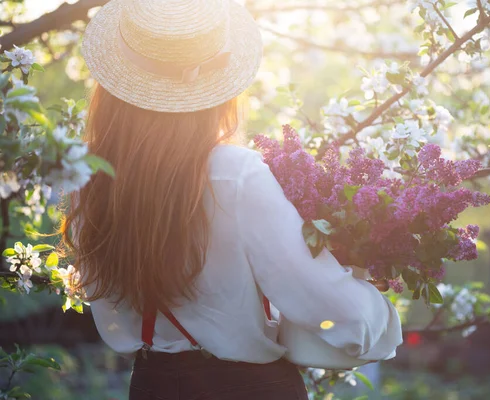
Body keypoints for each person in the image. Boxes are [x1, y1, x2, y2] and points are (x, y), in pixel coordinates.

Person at [62, 0, 403, 399]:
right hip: (248, 388)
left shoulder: (89, 178)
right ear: (217, 89)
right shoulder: (235, 174)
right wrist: (375, 311)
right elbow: (336, 311)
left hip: (152, 385)